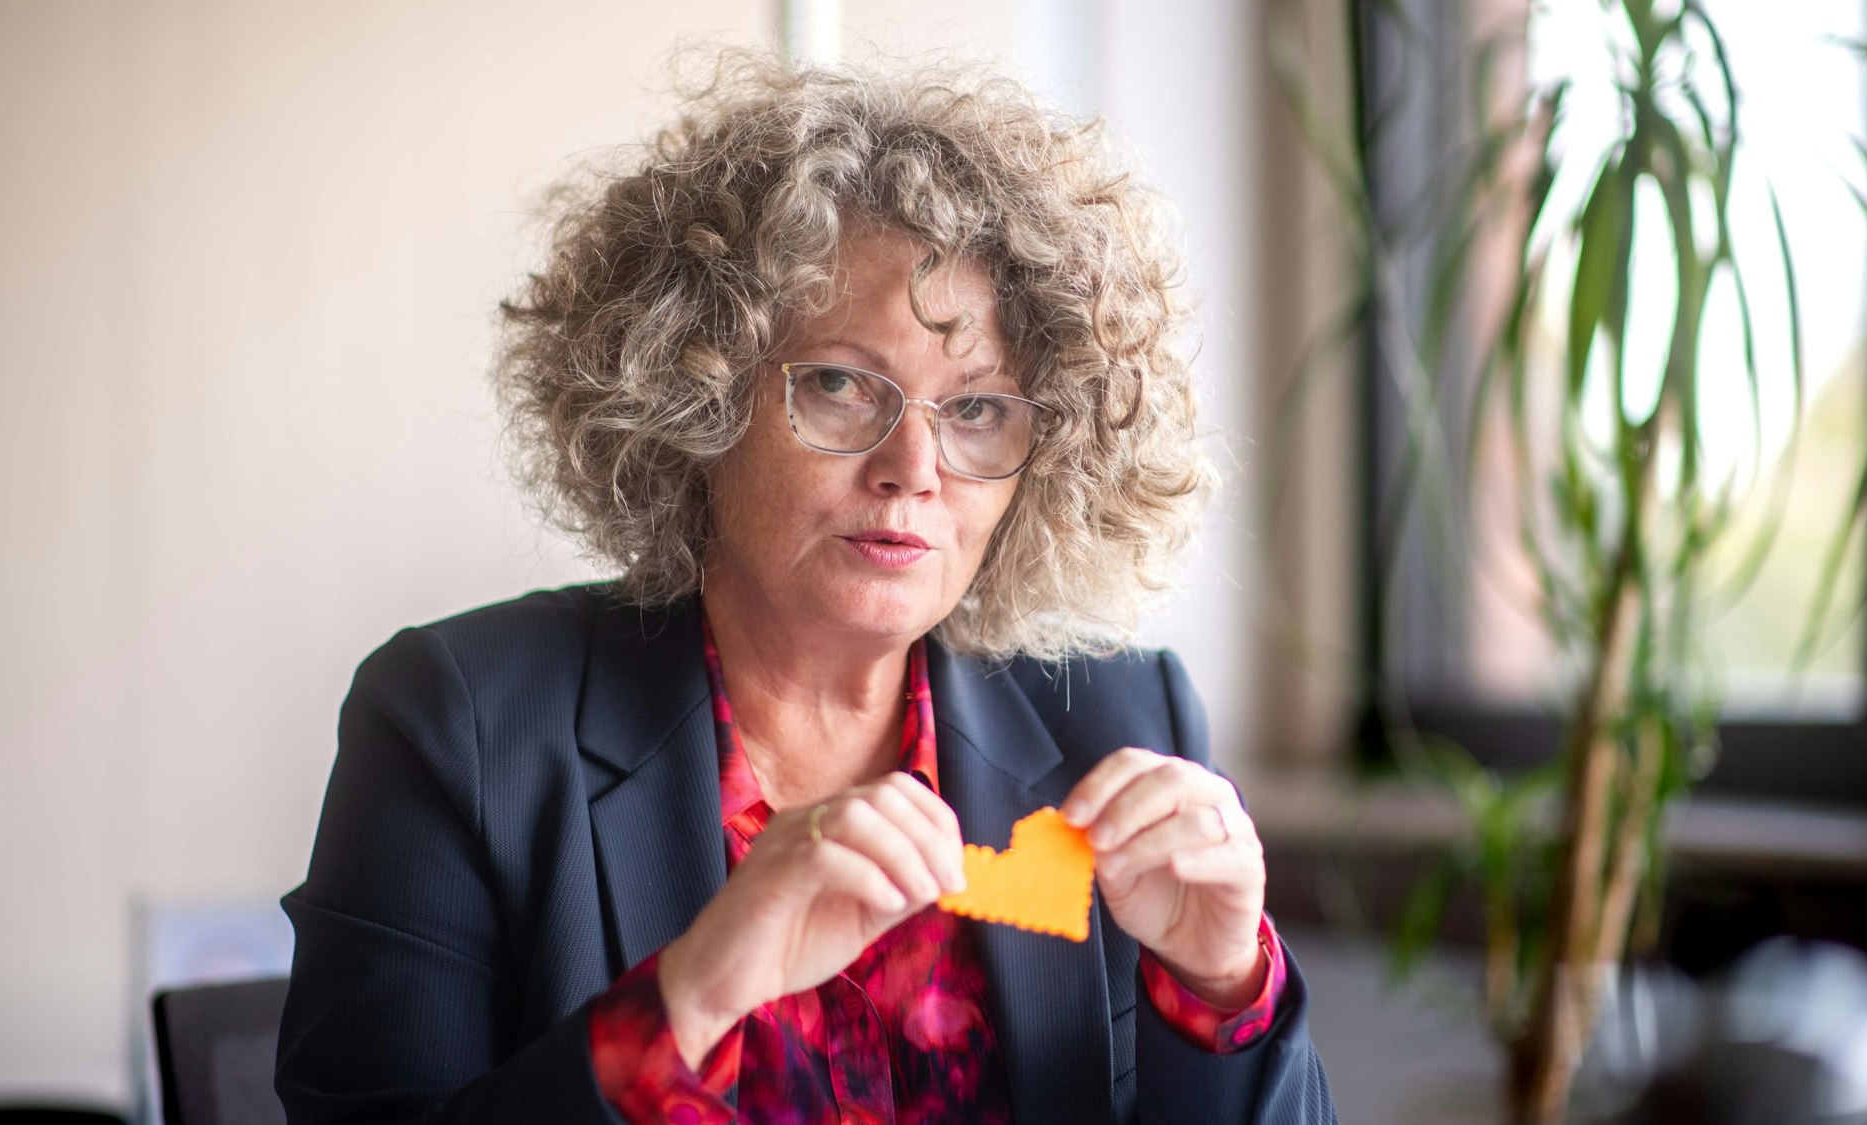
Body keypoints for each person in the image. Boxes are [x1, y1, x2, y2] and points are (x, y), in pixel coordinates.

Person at [274, 50, 1337, 1125]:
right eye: (838, 384)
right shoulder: (461, 726)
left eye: (974, 411)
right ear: (698, 393)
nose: (912, 470)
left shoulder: (1121, 723)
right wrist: (694, 994)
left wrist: (1221, 989)